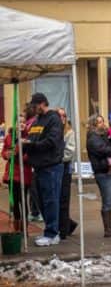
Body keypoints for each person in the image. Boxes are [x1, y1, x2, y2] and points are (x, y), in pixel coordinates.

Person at [22, 93, 65, 247]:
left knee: (51, 200)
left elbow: (52, 141)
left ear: (42, 104)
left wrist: (31, 145)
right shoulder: (37, 121)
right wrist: (24, 143)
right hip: (39, 167)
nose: (33, 108)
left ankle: (52, 233)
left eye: (35, 106)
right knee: (41, 201)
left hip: (51, 166)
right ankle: (50, 230)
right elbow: (33, 139)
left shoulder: (53, 119)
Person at [2, 107, 34, 232]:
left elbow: (29, 156)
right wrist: (7, 154)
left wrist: (18, 153)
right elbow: (4, 152)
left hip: (23, 174)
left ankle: (24, 227)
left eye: (23, 122)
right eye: (19, 122)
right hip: (12, 173)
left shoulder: (29, 137)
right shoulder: (9, 137)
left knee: (23, 200)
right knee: (14, 201)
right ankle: (17, 226)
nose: (21, 124)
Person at [56, 107, 78, 240]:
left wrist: (56, 157)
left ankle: (63, 229)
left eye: (64, 116)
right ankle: (66, 224)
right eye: (59, 116)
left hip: (64, 167)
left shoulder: (69, 132)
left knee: (63, 199)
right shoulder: (52, 131)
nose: (62, 119)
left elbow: (69, 153)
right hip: (53, 167)